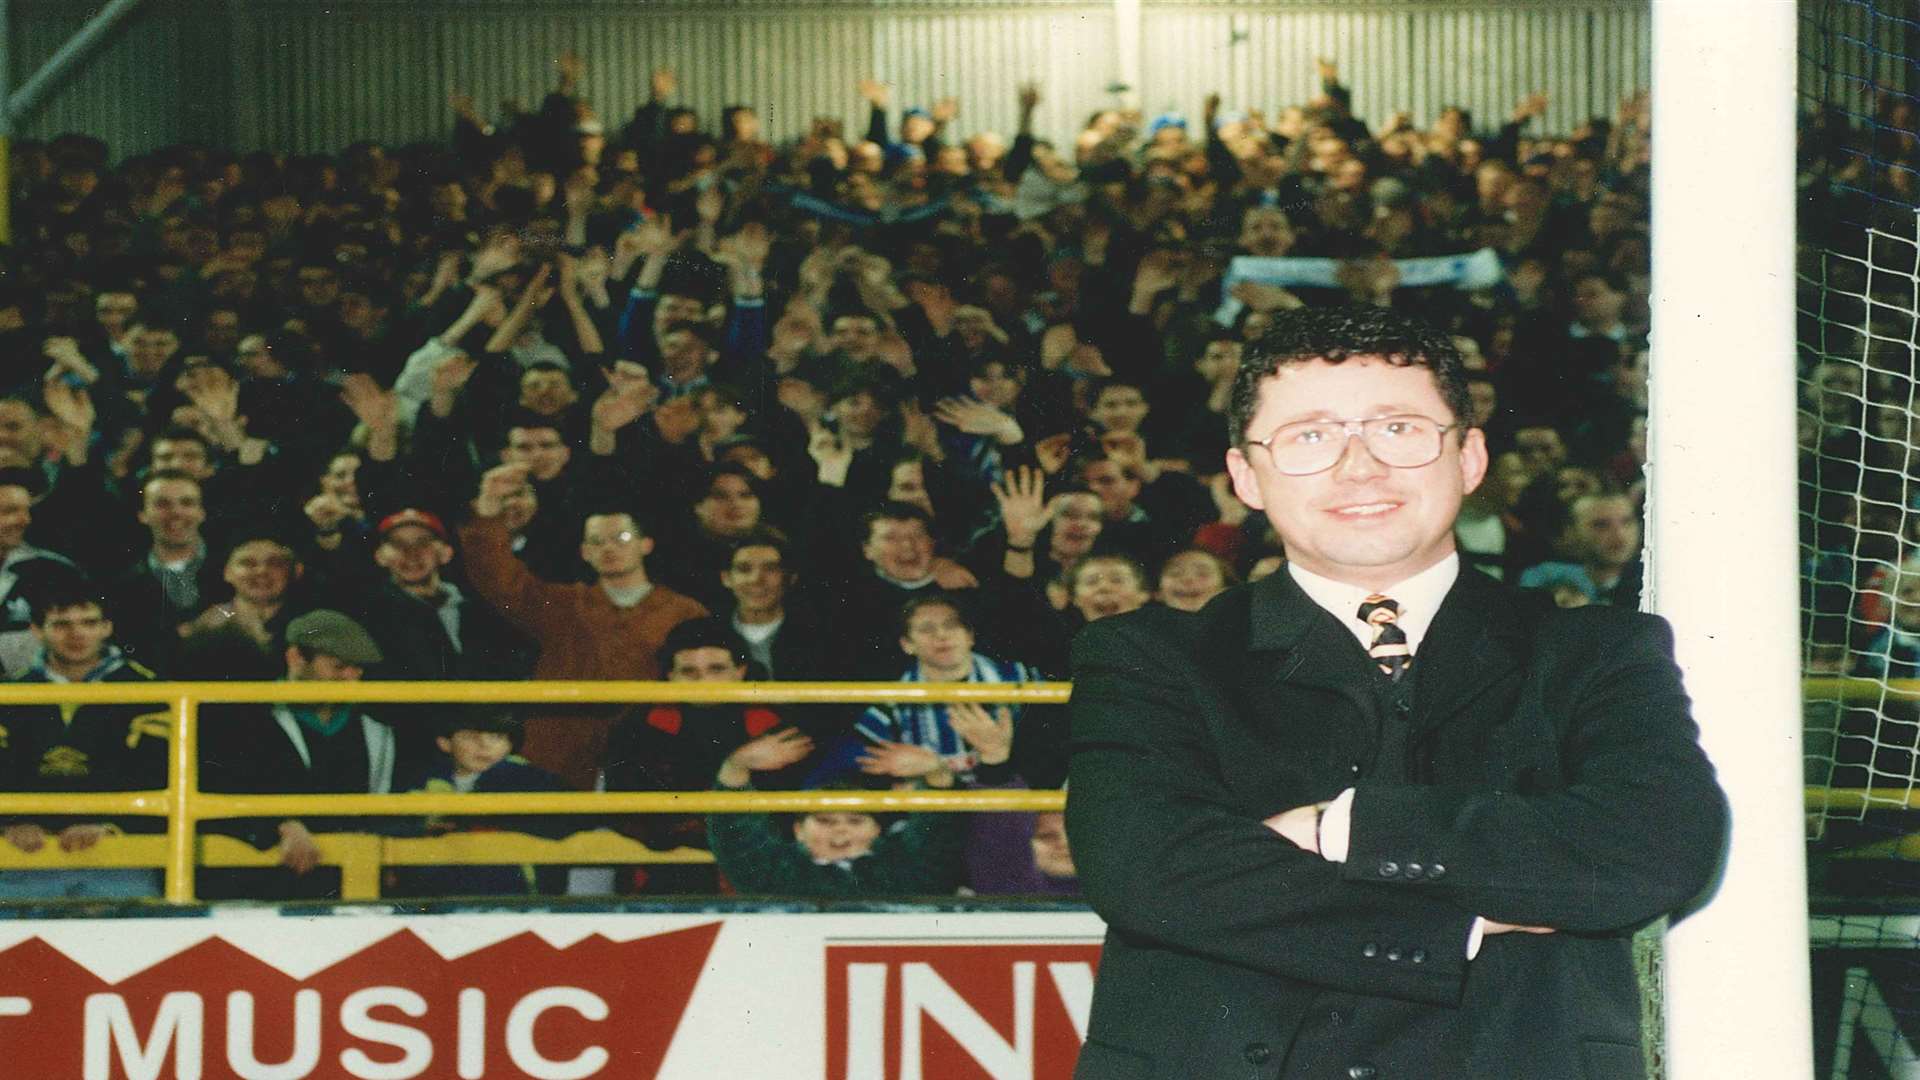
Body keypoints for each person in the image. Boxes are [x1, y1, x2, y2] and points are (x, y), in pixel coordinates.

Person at [1065, 306, 1724, 1079]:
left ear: (1470, 457)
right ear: (1246, 475)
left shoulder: (1596, 650)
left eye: (1399, 429)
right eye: (1310, 436)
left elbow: (1660, 846)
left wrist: (1340, 830)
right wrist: (1468, 921)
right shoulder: (1146, 654)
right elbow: (1145, 869)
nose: (1359, 468)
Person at [198, 609, 400, 900]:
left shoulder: (376, 730)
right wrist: (279, 824)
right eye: (339, 667)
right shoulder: (242, 715)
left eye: (358, 670)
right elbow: (219, 794)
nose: (352, 679)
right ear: (295, 658)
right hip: (255, 881)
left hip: (348, 882)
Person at [0, 584, 166, 899]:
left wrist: (110, 825)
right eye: (62, 624)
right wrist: (10, 825)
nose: (77, 634)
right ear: (37, 631)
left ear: (107, 628)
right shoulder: (10, 692)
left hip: (121, 854)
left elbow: (159, 770)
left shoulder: (148, 689)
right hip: (24, 855)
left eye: (89, 623)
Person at [388, 707, 572, 899]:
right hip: (438, 892)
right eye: (470, 736)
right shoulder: (422, 785)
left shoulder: (532, 781)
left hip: (512, 891)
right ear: (445, 743)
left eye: (497, 736)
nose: (484, 745)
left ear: (510, 744)